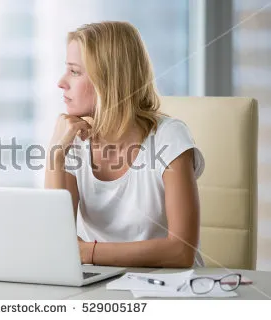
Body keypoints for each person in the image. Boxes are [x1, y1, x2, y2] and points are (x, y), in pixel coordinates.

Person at [44, 21, 205, 268]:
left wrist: (88, 253)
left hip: (168, 286)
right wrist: (55, 156)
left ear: (108, 80)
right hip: (101, 286)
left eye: (74, 72)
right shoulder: (72, 139)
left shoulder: (168, 138)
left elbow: (181, 252)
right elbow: (56, 245)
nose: (61, 82)